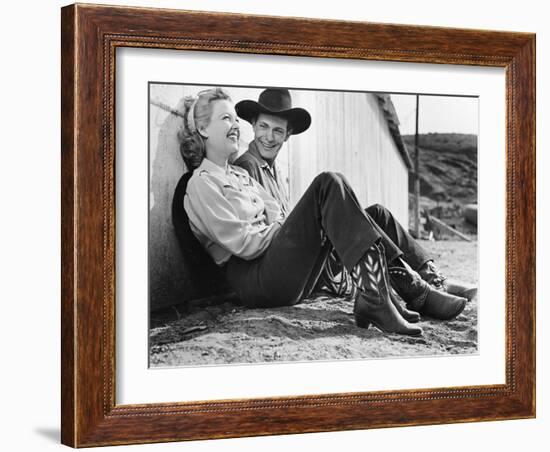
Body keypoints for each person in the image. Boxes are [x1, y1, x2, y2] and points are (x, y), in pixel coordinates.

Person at [178, 87, 469, 338]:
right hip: (254, 281)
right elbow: (247, 244)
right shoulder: (202, 184)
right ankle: (385, 296)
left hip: (275, 269)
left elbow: (277, 213)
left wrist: (304, 224)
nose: (235, 126)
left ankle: (404, 291)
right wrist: (305, 224)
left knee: (372, 213)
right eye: (225, 118)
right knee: (328, 183)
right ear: (203, 129)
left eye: (234, 118)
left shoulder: (240, 178)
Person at [233, 88, 477, 302]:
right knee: (334, 193)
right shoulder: (247, 166)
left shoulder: (274, 170)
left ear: (287, 135)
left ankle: (432, 276)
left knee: (378, 214)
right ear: (252, 125)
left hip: (297, 260)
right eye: (263, 126)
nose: (269, 136)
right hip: (280, 269)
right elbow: (261, 236)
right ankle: (414, 285)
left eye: (278, 130)